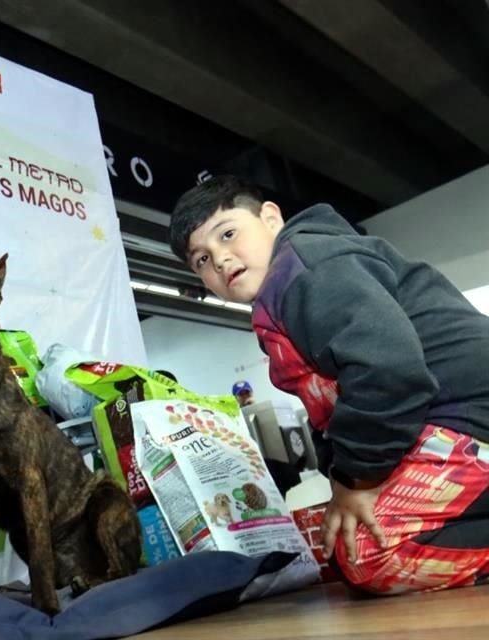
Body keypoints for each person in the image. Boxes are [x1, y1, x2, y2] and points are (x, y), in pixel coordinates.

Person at [169, 175, 489, 595]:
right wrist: (343, 478)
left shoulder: (304, 266)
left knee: (370, 556)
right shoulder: (287, 289)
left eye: (228, 234)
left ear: (269, 218)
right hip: (440, 418)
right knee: (340, 545)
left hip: (468, 415)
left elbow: (389, 371)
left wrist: (356, 481)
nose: (221, 260)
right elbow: (335, 409)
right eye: (202, 261)